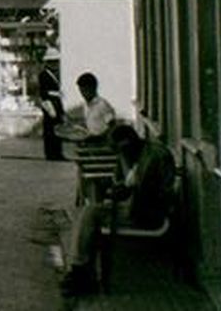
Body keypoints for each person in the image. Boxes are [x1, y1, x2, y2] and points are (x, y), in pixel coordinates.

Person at [59, 125, 176, 295]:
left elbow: (158, 191)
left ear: (127, 142)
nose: (116, 152)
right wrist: (118, 187)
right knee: (89, 214)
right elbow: (121, 183)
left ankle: (80, 271)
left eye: (117, 148)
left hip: (149, 212)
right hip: (133, 206)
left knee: (90, 214)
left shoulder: (156, 155)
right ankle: (80, 270)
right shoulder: (128, 154)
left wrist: (129, 190)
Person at [56, 71, 116, 143]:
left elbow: (112, 126)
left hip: (101, 143)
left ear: (93, 88)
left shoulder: (102, 105)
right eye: (81, 91)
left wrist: (101, 137)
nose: (83, 94)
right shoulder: (86, 105)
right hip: (90, 142)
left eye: (85, 91)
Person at [36, 69, 65, 161]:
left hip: (56, 104)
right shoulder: (44, 75)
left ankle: (57, 152)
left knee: (57, 130)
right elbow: (44, 92)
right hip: (50, 104)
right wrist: (56, 94)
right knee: (50, 130)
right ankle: (51, 153)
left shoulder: (55, 74)